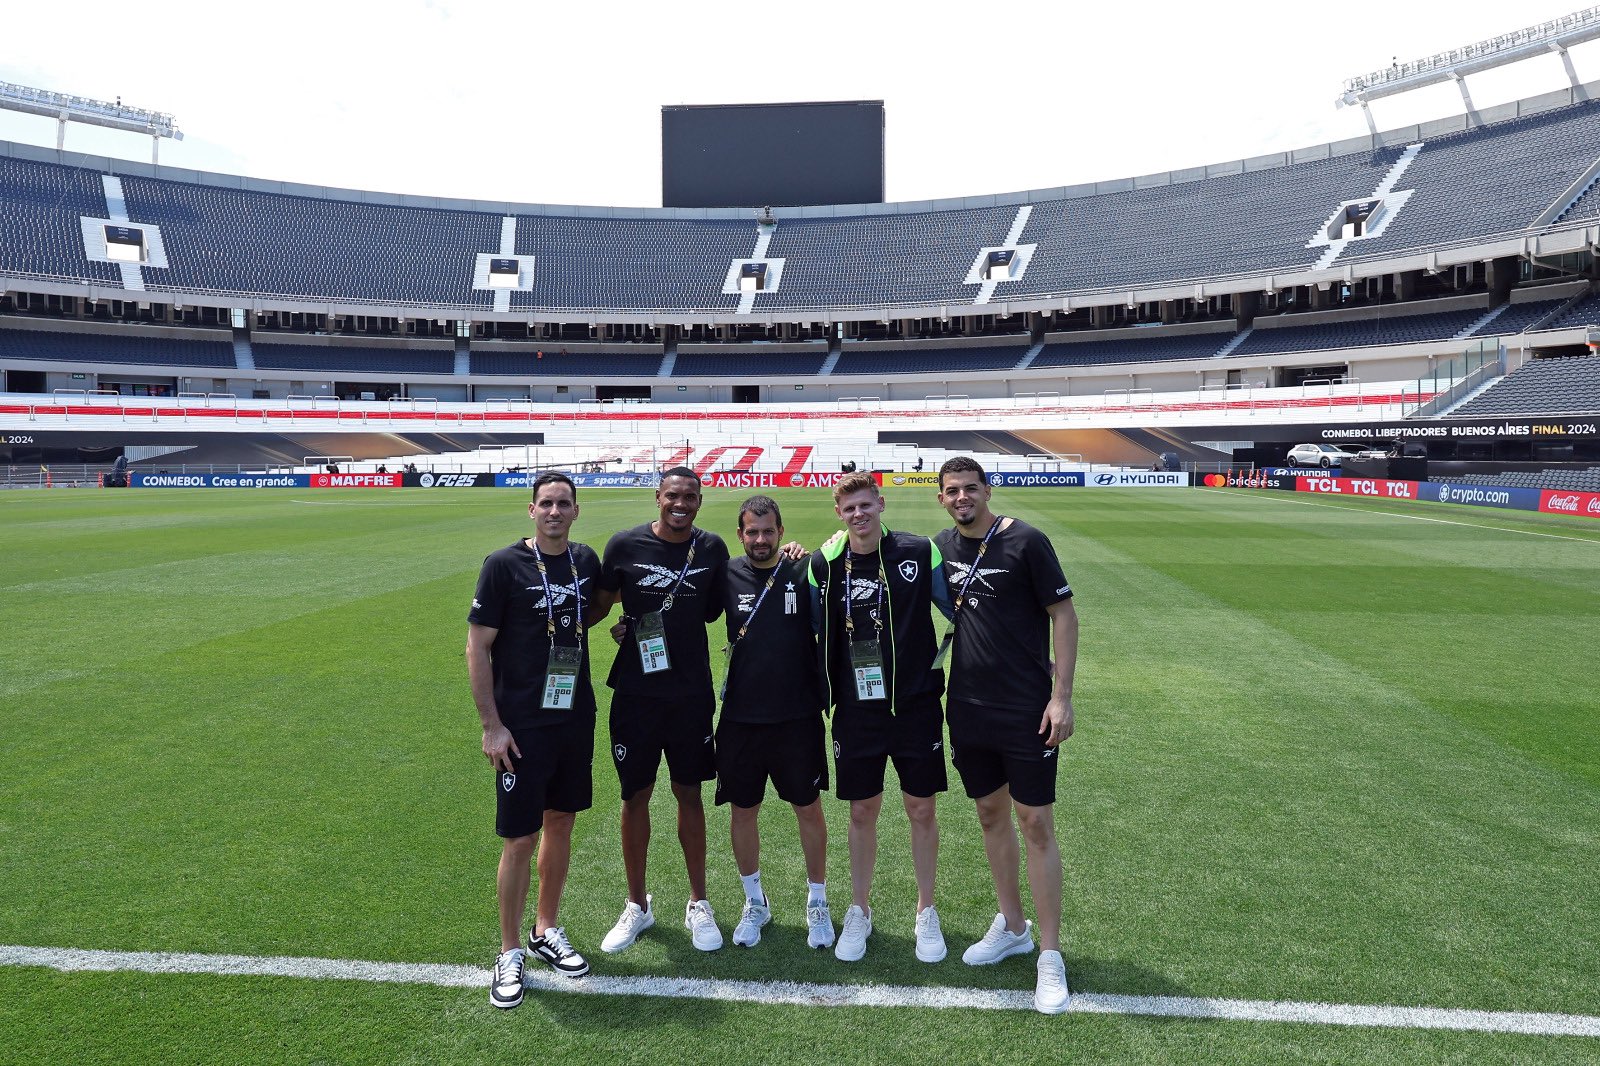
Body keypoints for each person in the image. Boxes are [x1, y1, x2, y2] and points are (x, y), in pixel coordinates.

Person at [932, 456, 1078, 1016]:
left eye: (971, 488)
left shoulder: (1027, 542)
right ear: (941, 498)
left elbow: (1063, 615)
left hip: (1026, 709)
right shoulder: (940, 546)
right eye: (953, 491)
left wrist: (1061, 696)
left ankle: (1049, 954)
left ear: (987, 490)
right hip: (966, 707)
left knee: (1035, 821)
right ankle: (1012, 926)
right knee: (990, 816)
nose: (963, 497)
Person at [807, 471, 952, 964]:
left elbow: (961, 611)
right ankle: (859, 910)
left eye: (866, 505)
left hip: (915, 706)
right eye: (849, 509)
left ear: (881, 504)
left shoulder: (918, 550)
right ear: (838, 514)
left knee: (921, 809)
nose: (858, 515)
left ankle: (925, 910)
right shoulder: (824, 563)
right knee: (861, 811)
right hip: (855, 710)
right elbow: (803, 622)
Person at [467, 471, 600, 1010]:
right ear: (531, 510)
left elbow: (599, 605)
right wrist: (491, 725)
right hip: (520, 727)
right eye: (545, 503)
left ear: (575, 511)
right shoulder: (502, 566)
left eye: (563, 503)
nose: (554, 511)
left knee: (561, 821)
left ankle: (546, 929)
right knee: (519, 839)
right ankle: (509, 950)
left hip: (574, 717)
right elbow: (477, 648)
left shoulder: (584, 561)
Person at [588, 467, 732, 954]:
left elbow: (717, 609)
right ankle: (636, 905)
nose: (681, 503)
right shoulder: (624, 546)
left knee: (689, 794)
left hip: (690, 693)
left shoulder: (712, 548)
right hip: (636, 693)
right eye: (673, 495)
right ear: (658, 497)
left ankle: (699, 902)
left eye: (690, 497)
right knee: (635, 797)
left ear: (699, 501)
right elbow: (601, 607)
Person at [717, 495, 833, 950]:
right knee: (743, 810)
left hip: (797, 716)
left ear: (781, 532)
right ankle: (755, 902)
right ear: (740, 534)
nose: (760, 540)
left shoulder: (802, 571)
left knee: (808, 807)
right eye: (752, 532)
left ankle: (818, 902)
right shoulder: (725, 574)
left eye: (768, 531)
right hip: (741, 718)